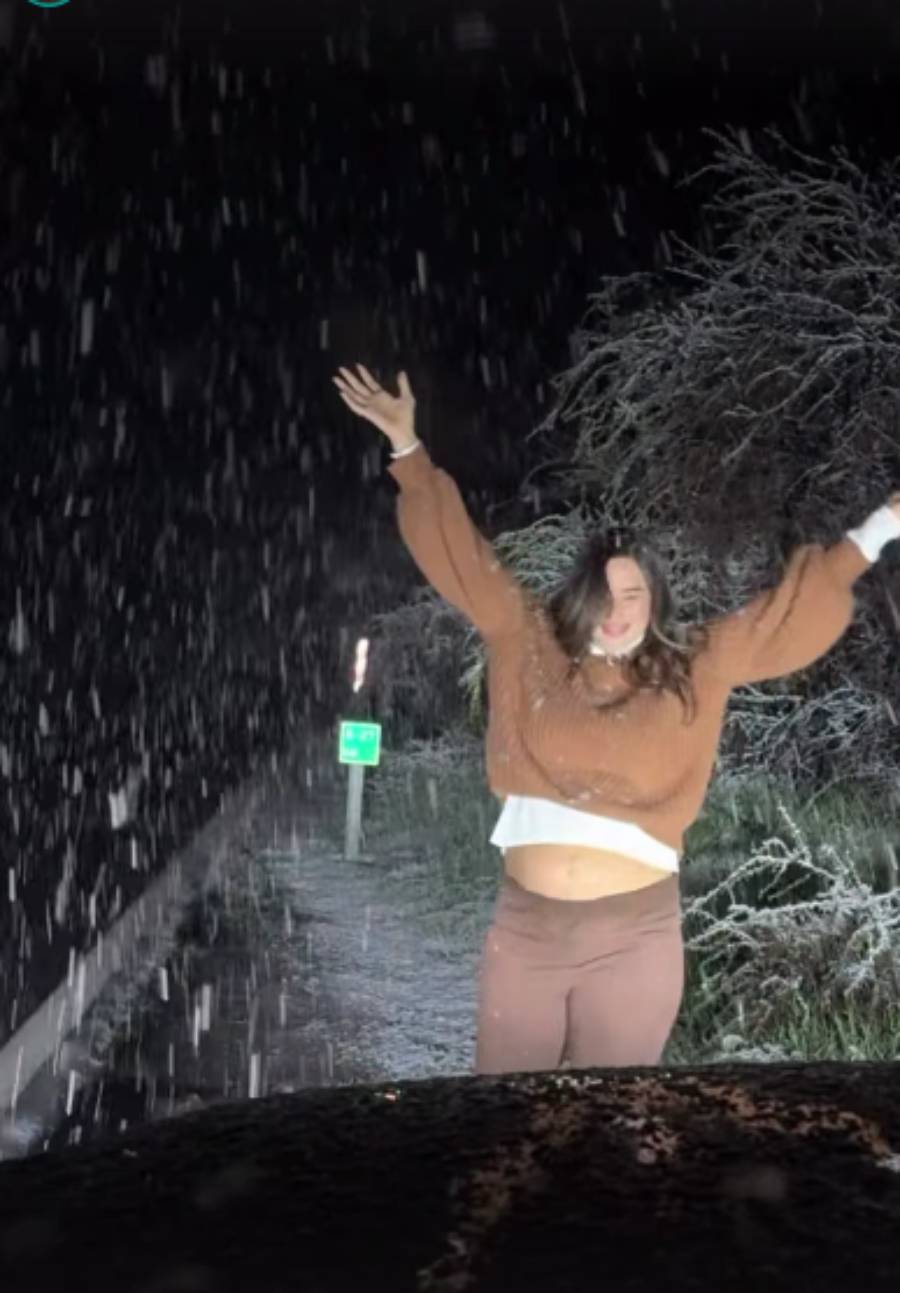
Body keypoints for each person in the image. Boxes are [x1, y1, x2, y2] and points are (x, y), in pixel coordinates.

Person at [333, 362, 900, 1075]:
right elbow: (463, 558)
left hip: (635, 939)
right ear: (581, 596)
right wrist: (408, 450)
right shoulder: (530, 640)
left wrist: (882, 525)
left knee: (610, 1125)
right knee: (505, 1119)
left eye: (632, 593)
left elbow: (787, 613)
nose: (616, 609)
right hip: (527, 931)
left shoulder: (695, 663)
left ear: (654, 601)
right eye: (602, 592)